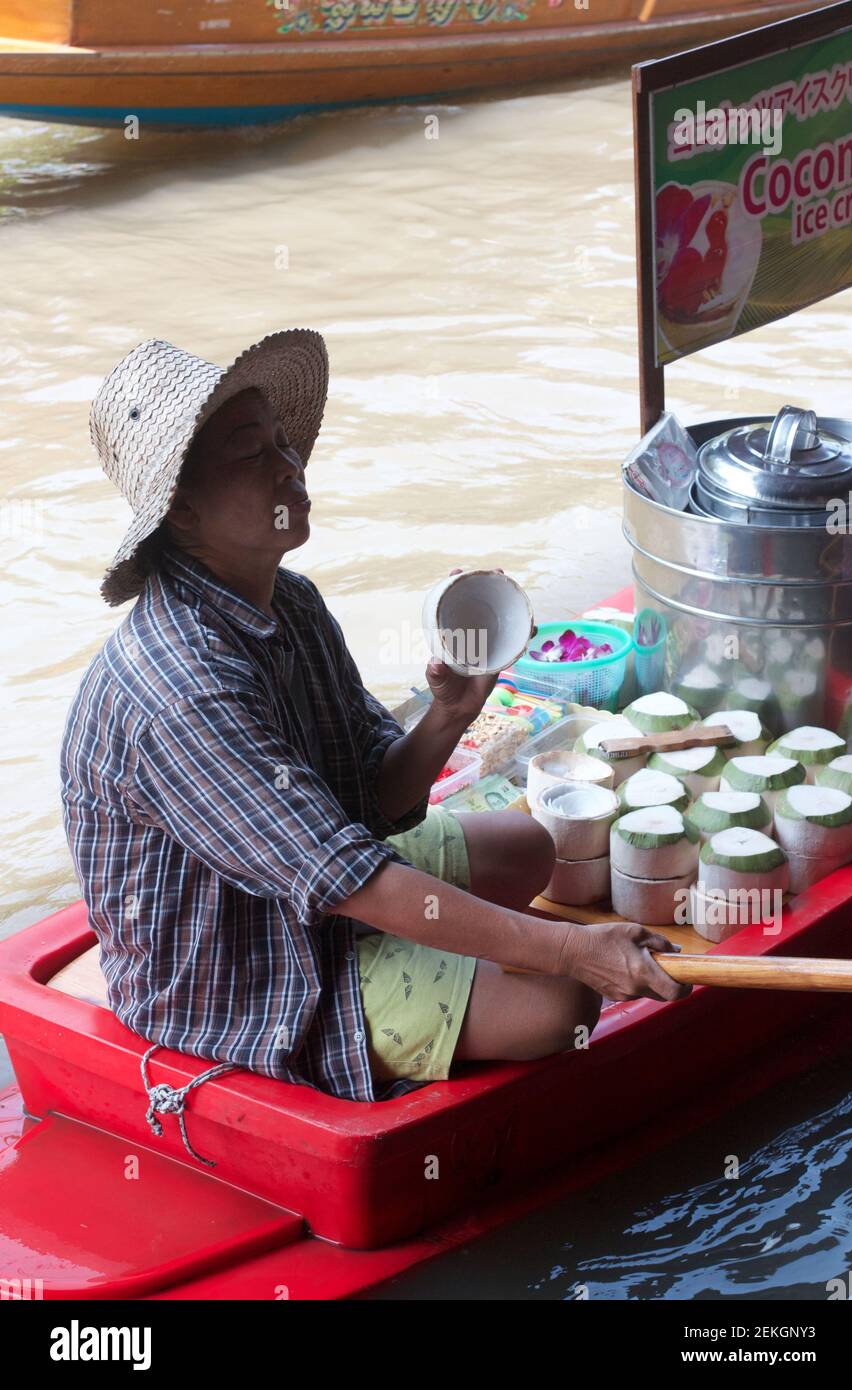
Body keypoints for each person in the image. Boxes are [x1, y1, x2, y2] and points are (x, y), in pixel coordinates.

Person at [61, 329, 689, 1107]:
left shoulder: (289, 600)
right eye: (253, 453)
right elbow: (350, 880)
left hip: (316, 892)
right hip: (234, 971)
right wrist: (569, 952)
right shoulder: (178, 686)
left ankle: (454, 971)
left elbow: (369, 802)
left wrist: (451, 713)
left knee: (529, 845)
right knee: (559, 1008)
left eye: (285, 444)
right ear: (182, 511)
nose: (291, 467)